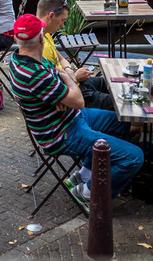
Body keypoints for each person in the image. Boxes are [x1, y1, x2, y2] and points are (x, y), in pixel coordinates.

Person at [8, 14, 143, 213]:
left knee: (129, 123)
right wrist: (68, 84)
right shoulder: (34, 73)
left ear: (16, 38)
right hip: (61, 133)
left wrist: (63, 90)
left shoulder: (20, 58)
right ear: (40, 38)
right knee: (134, 157)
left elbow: (60, 76)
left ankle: (83, 175)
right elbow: (78, 100)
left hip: (71, 117)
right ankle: (88, 194)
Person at [36, 0, 114, 111]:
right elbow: (57, 86)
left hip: (77, 83)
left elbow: (61, 58)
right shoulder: (41, 48)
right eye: (62, 20)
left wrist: (70, 71)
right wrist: (75, 77)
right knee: (116, 102)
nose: (62, 25)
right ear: (51, 16)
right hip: (76, 93)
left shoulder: (45, 34)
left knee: (110, 83)